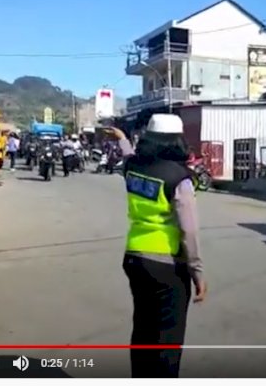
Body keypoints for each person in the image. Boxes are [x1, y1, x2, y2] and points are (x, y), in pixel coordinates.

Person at [110, 114, 207, 378]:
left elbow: (129, 155)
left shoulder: (132, 168)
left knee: (143, 329)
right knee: (167, 341)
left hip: (134, 258)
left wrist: (122, 140)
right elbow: (189, 230)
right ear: (177, 141)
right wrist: (197, 272)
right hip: (166, 266)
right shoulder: (180, 178)